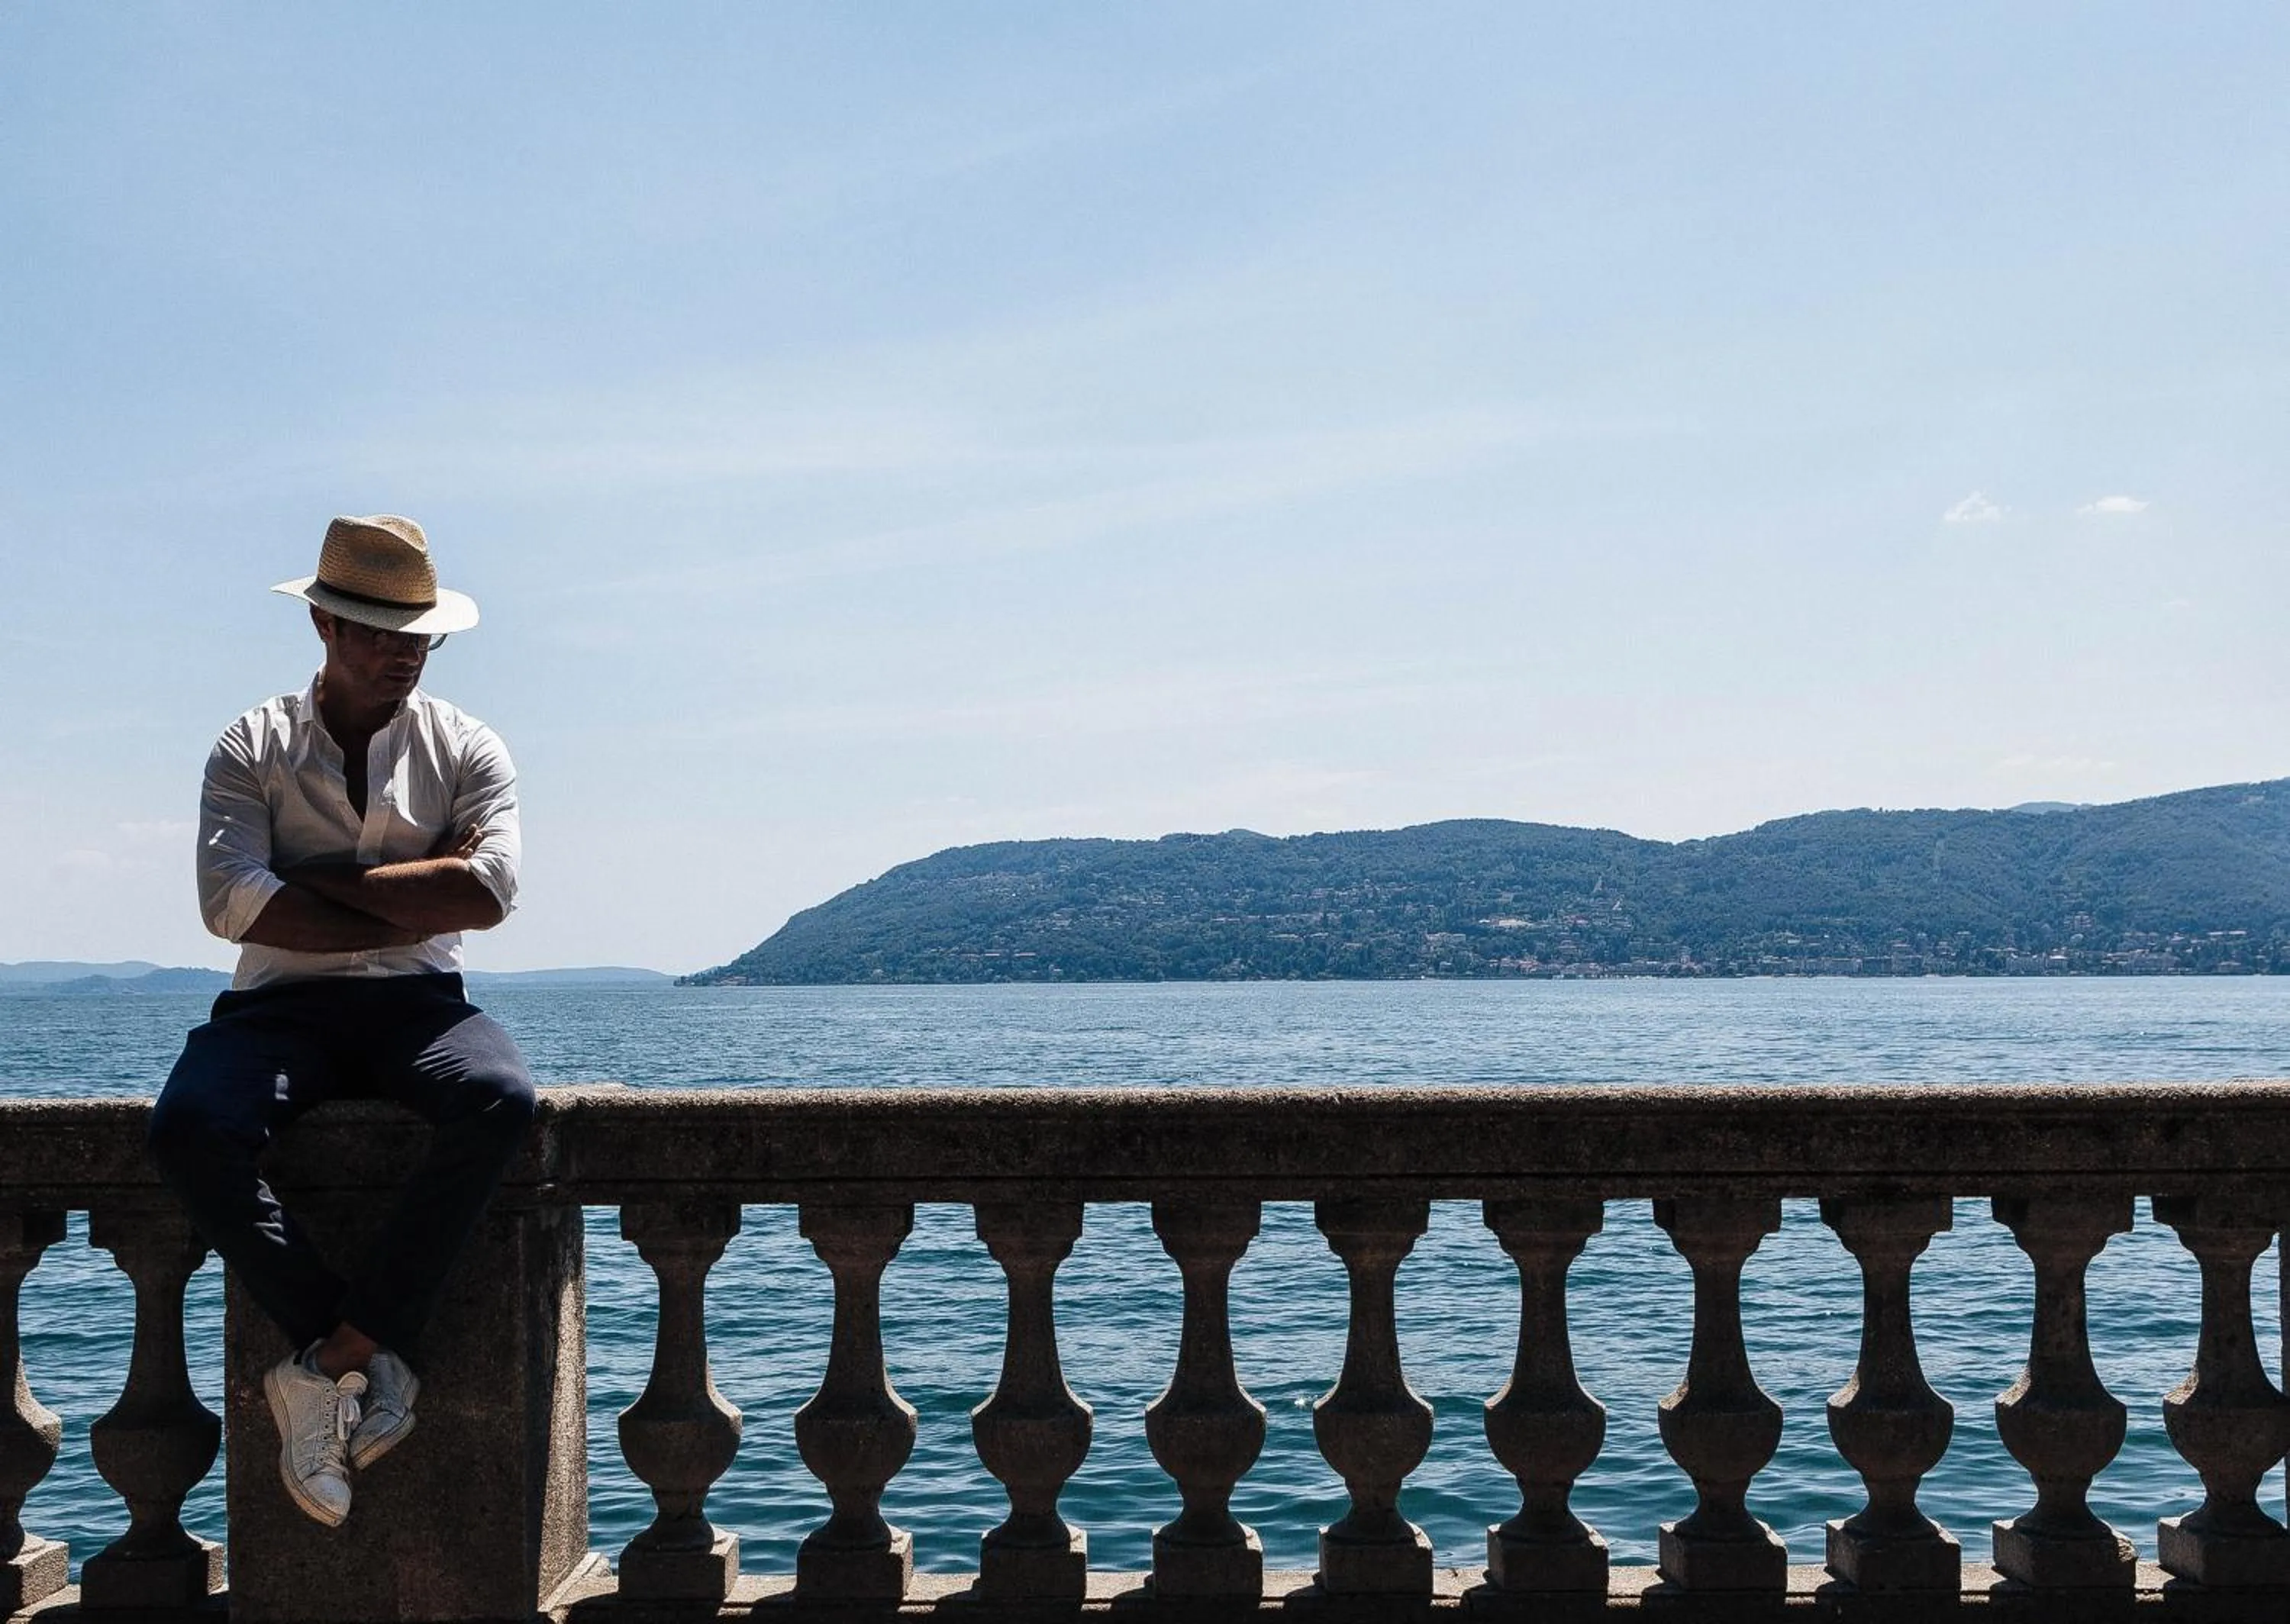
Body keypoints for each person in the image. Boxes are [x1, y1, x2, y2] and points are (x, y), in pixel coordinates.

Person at [147, 515, 535, 1528]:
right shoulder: (253, 744)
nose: (395, 652)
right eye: (370, 629)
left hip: (418, 1002)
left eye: (413, 633)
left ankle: (330, 1363)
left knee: (500, 1100)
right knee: (189, 1127)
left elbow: (489, 895)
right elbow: (231, 902)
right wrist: (418, 883)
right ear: (322, 624)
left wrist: (314, 876)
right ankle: (350, 1349)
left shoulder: (468, 746)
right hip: (280, 1005)